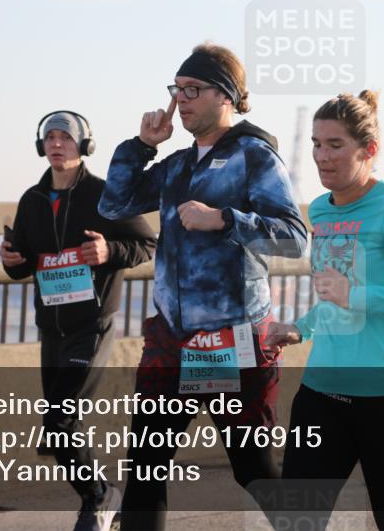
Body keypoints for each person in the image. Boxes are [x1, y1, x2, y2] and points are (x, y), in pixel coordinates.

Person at [97, 43, 308, 531]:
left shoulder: (254, 156)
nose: (181, 100)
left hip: (231, 340)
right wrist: (142, 146)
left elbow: (295, 238)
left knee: (252, 468)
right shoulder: (177, 165)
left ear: (226, 96)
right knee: (145, 468)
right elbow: (113, 205)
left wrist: (225, 219)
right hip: (171, 339)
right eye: (177, 89)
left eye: (193, 89)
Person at [266, 90, 384, 531]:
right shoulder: (320, 210)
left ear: (368, 150)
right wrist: (301, 327)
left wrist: (358, 296)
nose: (322, 156)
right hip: (323, 393)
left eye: (335, 145)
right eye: (317, 143)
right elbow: (334, 297)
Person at [0, 111, 157, 531]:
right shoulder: (32, 200)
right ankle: (104, 495)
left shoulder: (104, 195)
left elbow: (146, 244)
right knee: (58, 427)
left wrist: (109, 252)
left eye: (66, 138)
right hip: (51, 328)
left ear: (84, 145)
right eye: (50, 137)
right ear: (41, 145)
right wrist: (12, 261)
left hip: (92, 325)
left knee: (60, 419)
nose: (56, 144)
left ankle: (99, 498)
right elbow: (25, 264)